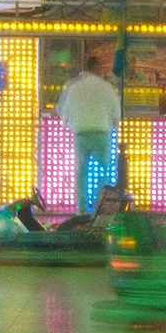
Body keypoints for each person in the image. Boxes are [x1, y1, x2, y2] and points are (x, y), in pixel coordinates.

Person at [56, 47, 122, 211]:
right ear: (96, 69)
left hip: (80, 133)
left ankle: (81, 208)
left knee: (81, 171)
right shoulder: (106, 87)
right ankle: (98, 202)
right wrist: (113, 123)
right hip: (101, 132)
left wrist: (69, 124)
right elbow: (117, 112)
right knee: (105, 170)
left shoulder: (73, 87)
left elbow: (64, 111)